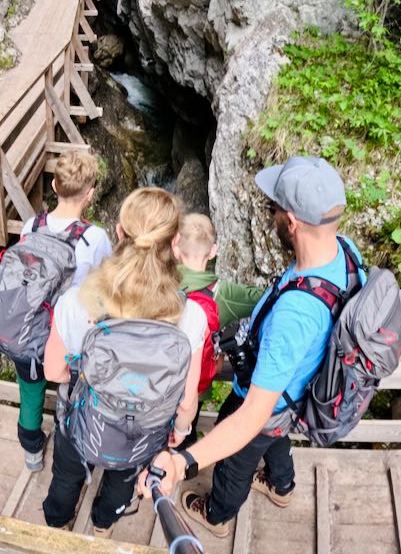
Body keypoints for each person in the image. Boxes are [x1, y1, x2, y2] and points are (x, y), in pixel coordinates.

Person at [141, 156, 362, 538]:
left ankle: (217, 513)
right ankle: (282, 485)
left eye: (274, 207)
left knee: (235, 464)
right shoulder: (342, 251)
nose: (271, 213)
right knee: (276, 437)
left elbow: (251, 418)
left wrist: (185, 462)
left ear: (291, 222)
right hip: (296, 392)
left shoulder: (295, 315)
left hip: (268, 403)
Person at [41, 188, 206, 538]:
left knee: (67, 475)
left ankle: (57, 525)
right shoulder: (189, 316)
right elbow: (188, 400)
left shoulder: (77, 301)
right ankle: (103, 525)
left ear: (118, 233)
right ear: (175, 244)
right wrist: (179, 432)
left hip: (83, 422)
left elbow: (53, 371)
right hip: (142, 434)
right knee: (122, 480)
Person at [14, 150, 112, 472]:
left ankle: (31, 452)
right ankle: (72, 449)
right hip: (70, 335)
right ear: (91, 194)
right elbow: (105, 282)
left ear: (54, 185)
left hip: (28, 328)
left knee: (30, 393)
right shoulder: (95, 238)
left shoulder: (31, 225)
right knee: (73, 391)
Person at [172, 213, 265, 449]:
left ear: (175, 245)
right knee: (185, 432)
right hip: (196, 388)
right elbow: (264, 299)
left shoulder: (159, 283)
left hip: (159, 383)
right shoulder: (224, 294)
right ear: (213, 251)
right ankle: (183, 461)